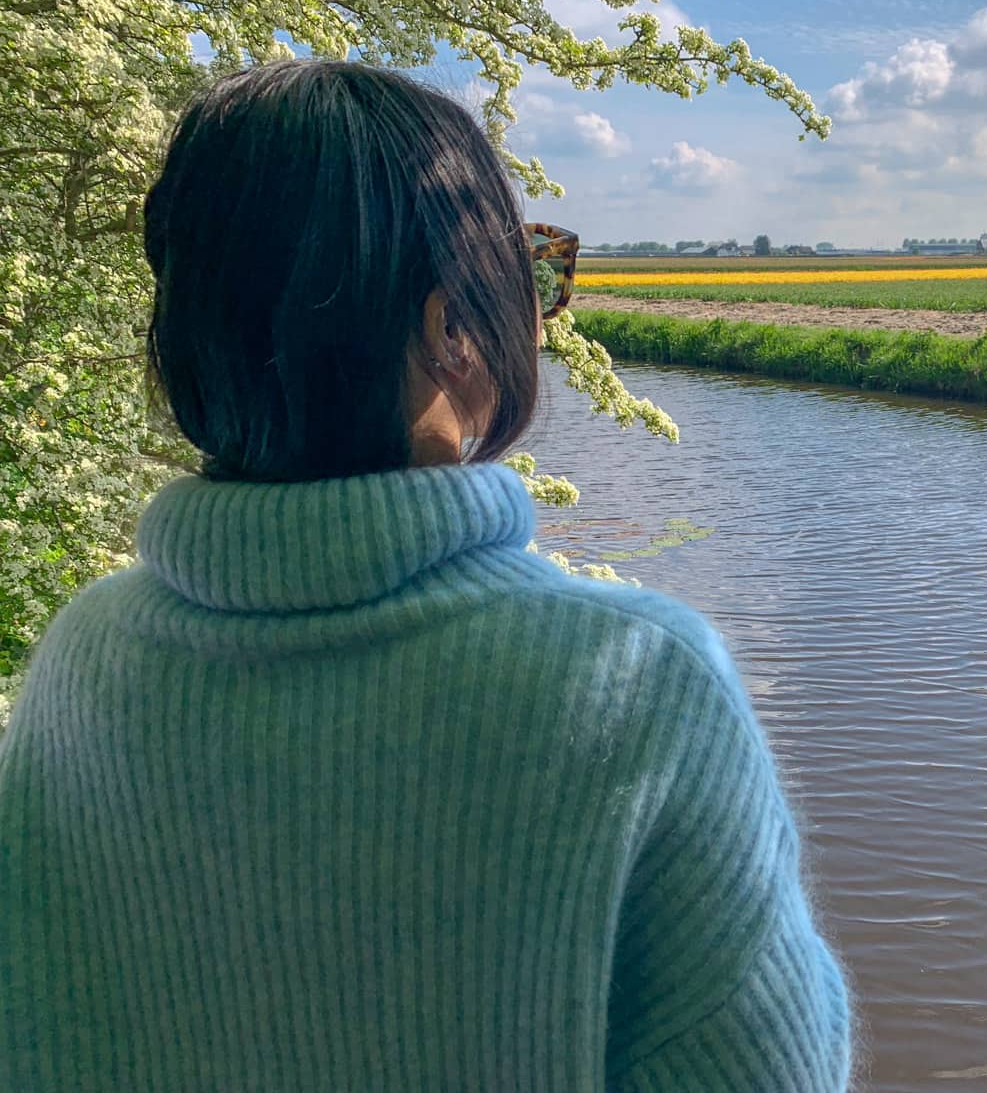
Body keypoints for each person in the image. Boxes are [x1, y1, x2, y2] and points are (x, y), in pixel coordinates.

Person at [0, 61, 852, 1091]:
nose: (543, 315)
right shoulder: (632, 684)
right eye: (533, 278)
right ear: (453, 328)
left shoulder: (79, 661)